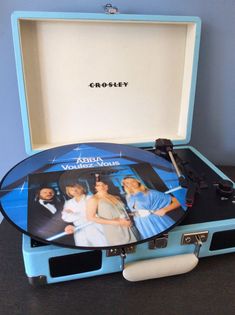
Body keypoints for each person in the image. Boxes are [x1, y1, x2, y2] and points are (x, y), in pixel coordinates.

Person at [87, 181, 137, 246]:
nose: (105, 185)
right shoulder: (94, 199)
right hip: (114, 230)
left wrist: (131, 216)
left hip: (129, 226)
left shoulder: (116, 197)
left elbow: (123, 211)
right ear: (95, 187)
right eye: (98, 185)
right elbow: (90, 217)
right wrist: (118, 222)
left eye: (104, 184)